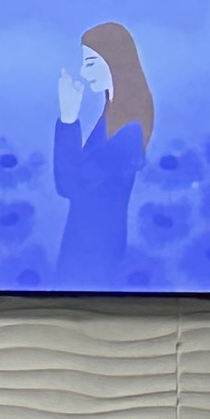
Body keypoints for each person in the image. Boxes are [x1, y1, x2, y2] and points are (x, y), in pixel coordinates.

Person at [51, 20, 153, 288]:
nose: (84, 73)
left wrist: (69, 118)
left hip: (95, 254)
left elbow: (69, 184)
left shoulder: (130, 129)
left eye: (91, 63)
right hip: (88, 247)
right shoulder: (112, 115)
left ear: (115, 61)